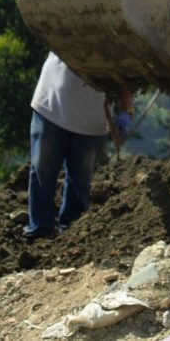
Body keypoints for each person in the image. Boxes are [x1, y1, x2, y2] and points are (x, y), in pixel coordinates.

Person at [24, 52, 131, 239]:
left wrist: (126, 109)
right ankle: (39, 229)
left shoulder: (119, 42)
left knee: (80, 181)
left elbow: (127, 72)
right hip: (52, 104)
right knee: (42, 171)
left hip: (92, 120)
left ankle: (72, 233)